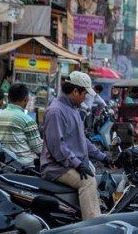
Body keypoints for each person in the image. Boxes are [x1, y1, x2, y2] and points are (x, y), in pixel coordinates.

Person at [41, 71, 106, 219]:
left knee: (93, 174)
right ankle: (93, 226)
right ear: (75, 91)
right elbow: (57, 147)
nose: (86, 97)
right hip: (56, 167)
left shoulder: (73, 109)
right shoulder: (56, 111)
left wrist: (102, 157)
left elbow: (82, 140)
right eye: (84, 93)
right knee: (88, 182)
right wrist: (77, 164)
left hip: (69, 163)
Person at [0, 83, 43, 168]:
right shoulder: (27, 120)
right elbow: (38, 149)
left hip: (2, 164)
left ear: (8, 98)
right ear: (26, 99)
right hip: (23, 166)